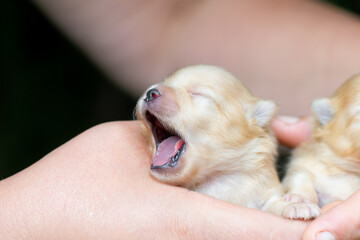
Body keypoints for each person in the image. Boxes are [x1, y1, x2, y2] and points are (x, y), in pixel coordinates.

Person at [2, 0, 360, 239]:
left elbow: (170, 18)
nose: (155, 91)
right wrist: (25, 218)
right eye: (167, 85)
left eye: (198, 96)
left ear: (257, 122)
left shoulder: (262, 179)